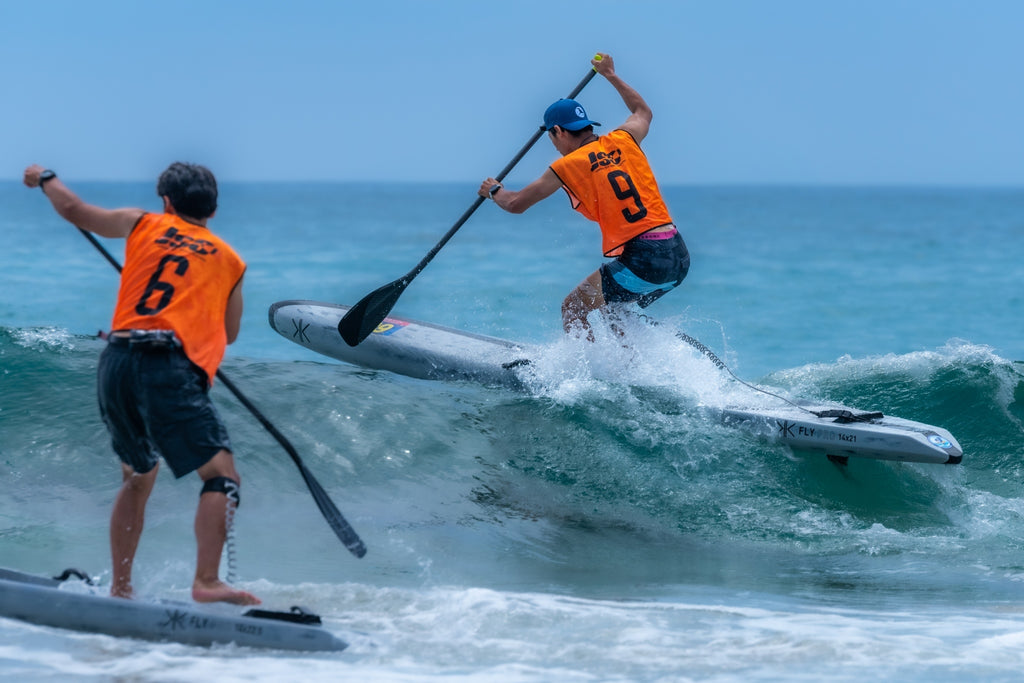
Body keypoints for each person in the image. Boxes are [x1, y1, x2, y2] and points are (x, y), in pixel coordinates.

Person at [23, 162, 260, 606]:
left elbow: (74, 210)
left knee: (137, 476)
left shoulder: (141, 223)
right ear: (212, 208)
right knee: (222, 475)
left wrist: (46, 178)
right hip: (166, 366)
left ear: (166, 202)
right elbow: (229, 334)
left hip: (116, 360)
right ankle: (207, 581)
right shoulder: (230, 260)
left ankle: (121, 589)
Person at [479, 53, 690, 338]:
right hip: (678, 254)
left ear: (557, 131)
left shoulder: (565, 166)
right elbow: (643, 111)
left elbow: (515, 204)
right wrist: (610, 75)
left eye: (551, 138)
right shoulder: (624, 138)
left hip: (644, 259)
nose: (553, 145)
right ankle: (632, 371)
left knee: (573, 308)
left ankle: (585, 376)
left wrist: (494, 191)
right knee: (615, 309)